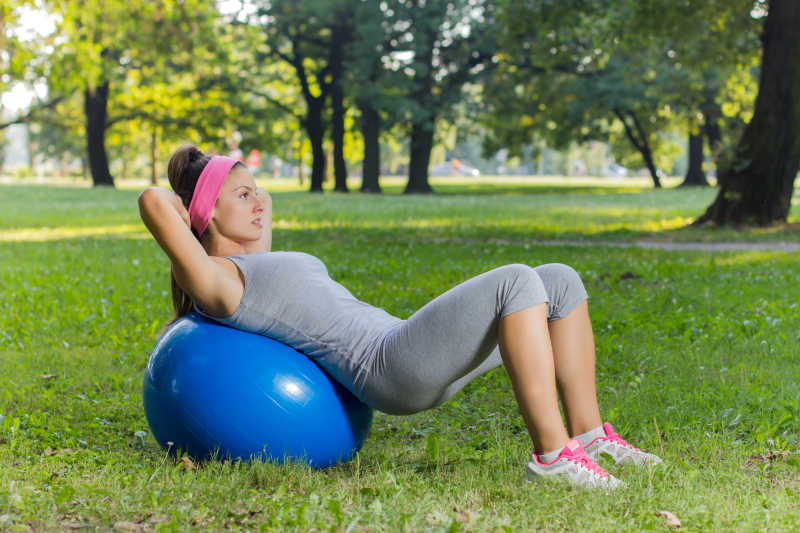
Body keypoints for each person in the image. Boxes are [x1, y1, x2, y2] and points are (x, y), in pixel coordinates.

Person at [138, 145, 662, 490]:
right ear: (205, 215)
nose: (260, 201)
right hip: (389, 367)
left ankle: (591, 436)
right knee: (516, 280)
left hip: (401, 342)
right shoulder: (219, 282)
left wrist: (234, 187)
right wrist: (191, 208)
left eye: (259, 191)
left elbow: (253, 219)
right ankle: (552, 456)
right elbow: (152, 199)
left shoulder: (254, 262)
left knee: (559, 279)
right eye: (243, 195)